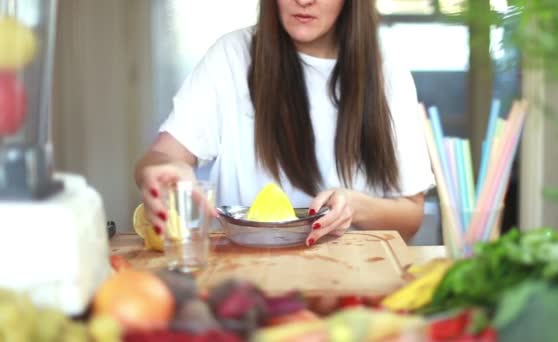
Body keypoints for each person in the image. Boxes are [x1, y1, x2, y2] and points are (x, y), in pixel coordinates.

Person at [134, 0, 435, 246]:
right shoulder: (233, 56)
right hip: (245, 277)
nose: (304, 1)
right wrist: (164, 170)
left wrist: (355, 205)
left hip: (353, 275)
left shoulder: (387, 72)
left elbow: (411, 217)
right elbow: (162, 156)